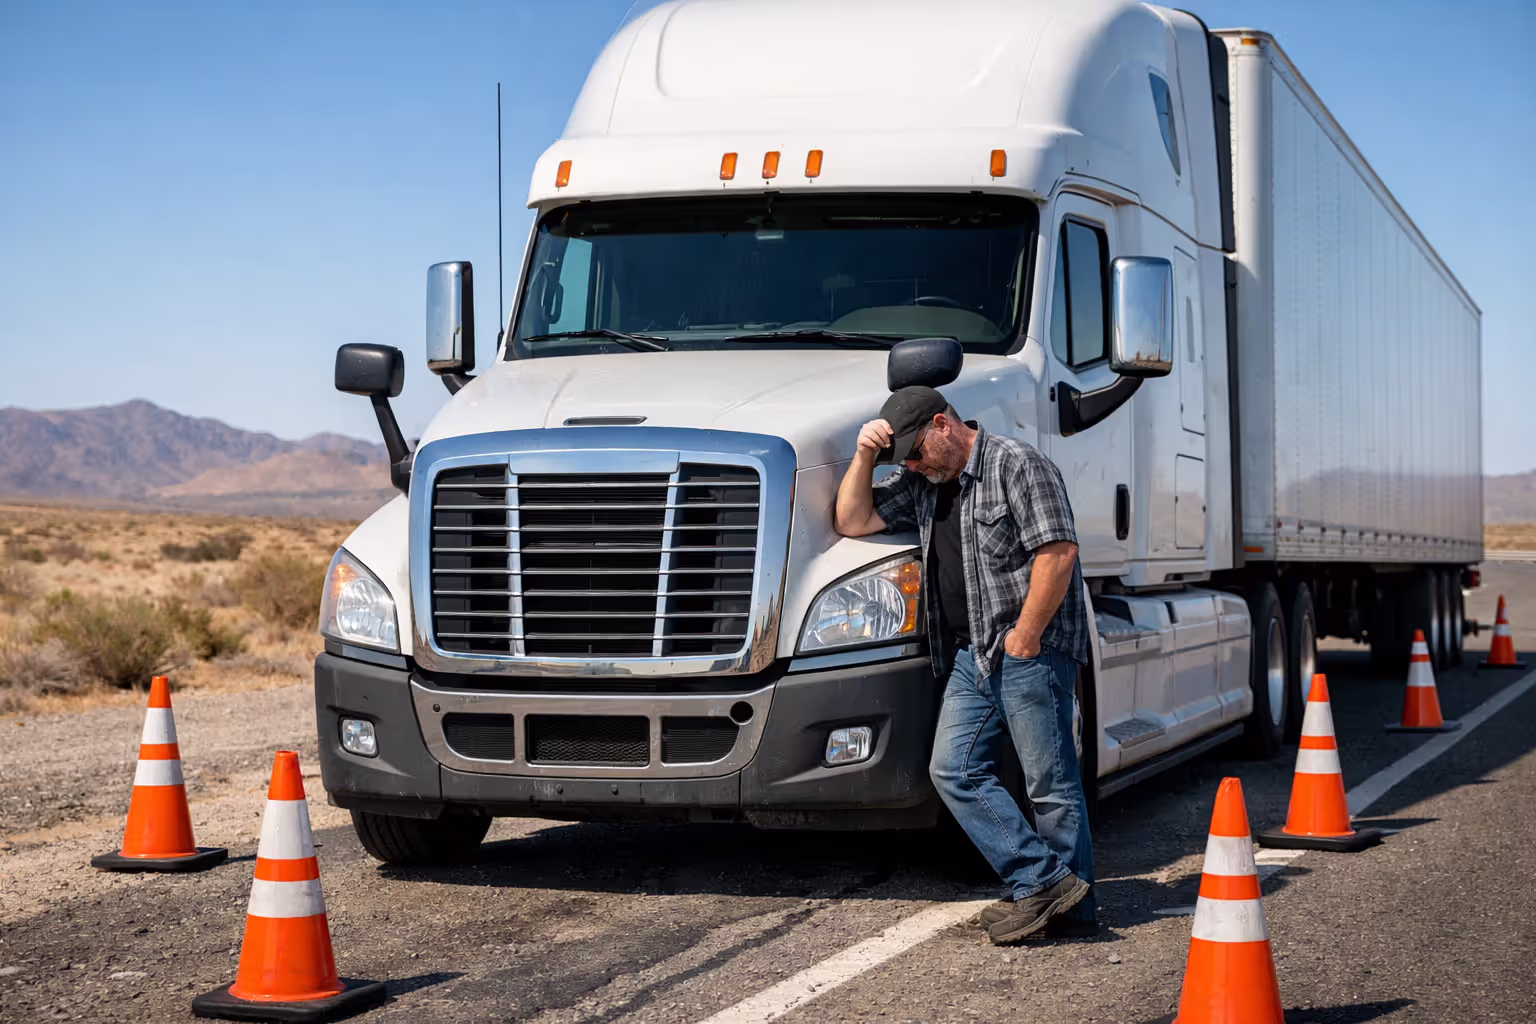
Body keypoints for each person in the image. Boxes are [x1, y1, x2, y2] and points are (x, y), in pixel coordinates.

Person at [833, 385, 1095, 944]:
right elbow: (853, 521)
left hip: (1028, 649)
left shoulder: (1019, 465)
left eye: (915, 452)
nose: (911, 465)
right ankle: (1043, 880)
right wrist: (863, 456)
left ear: (943, 426)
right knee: (953, 770)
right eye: (903, 459)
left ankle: (1072, 911)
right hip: (967, 655)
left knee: (1049, 783)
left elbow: (1059, 551)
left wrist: (1025, 638)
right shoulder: (925, 484)